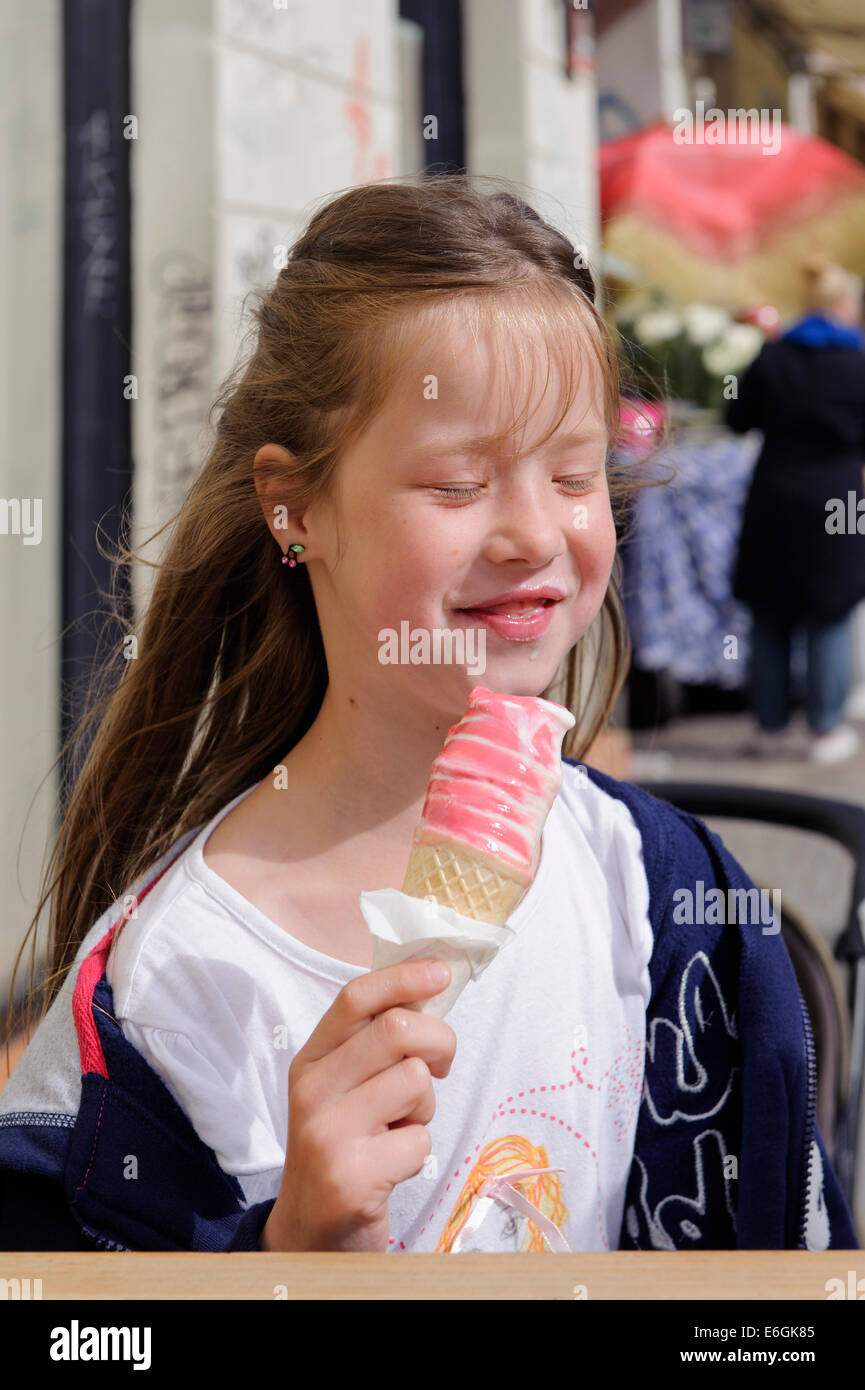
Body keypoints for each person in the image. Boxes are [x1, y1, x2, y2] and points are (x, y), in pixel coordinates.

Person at [0, 177, 857, 1254]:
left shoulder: (670, 895)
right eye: (457, 485)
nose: (533, 535)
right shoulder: (175, 985)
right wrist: (294, 1255)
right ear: (296, 506)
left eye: (576, 473)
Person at [725, 254, 865, 764]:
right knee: (831, 613)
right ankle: (825, 730)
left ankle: (768, 726)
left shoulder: (773, 357)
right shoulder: (858, 363)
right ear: (843, 305)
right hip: (841, 502)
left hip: (775, 498)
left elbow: (736, 416)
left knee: (770, 615)